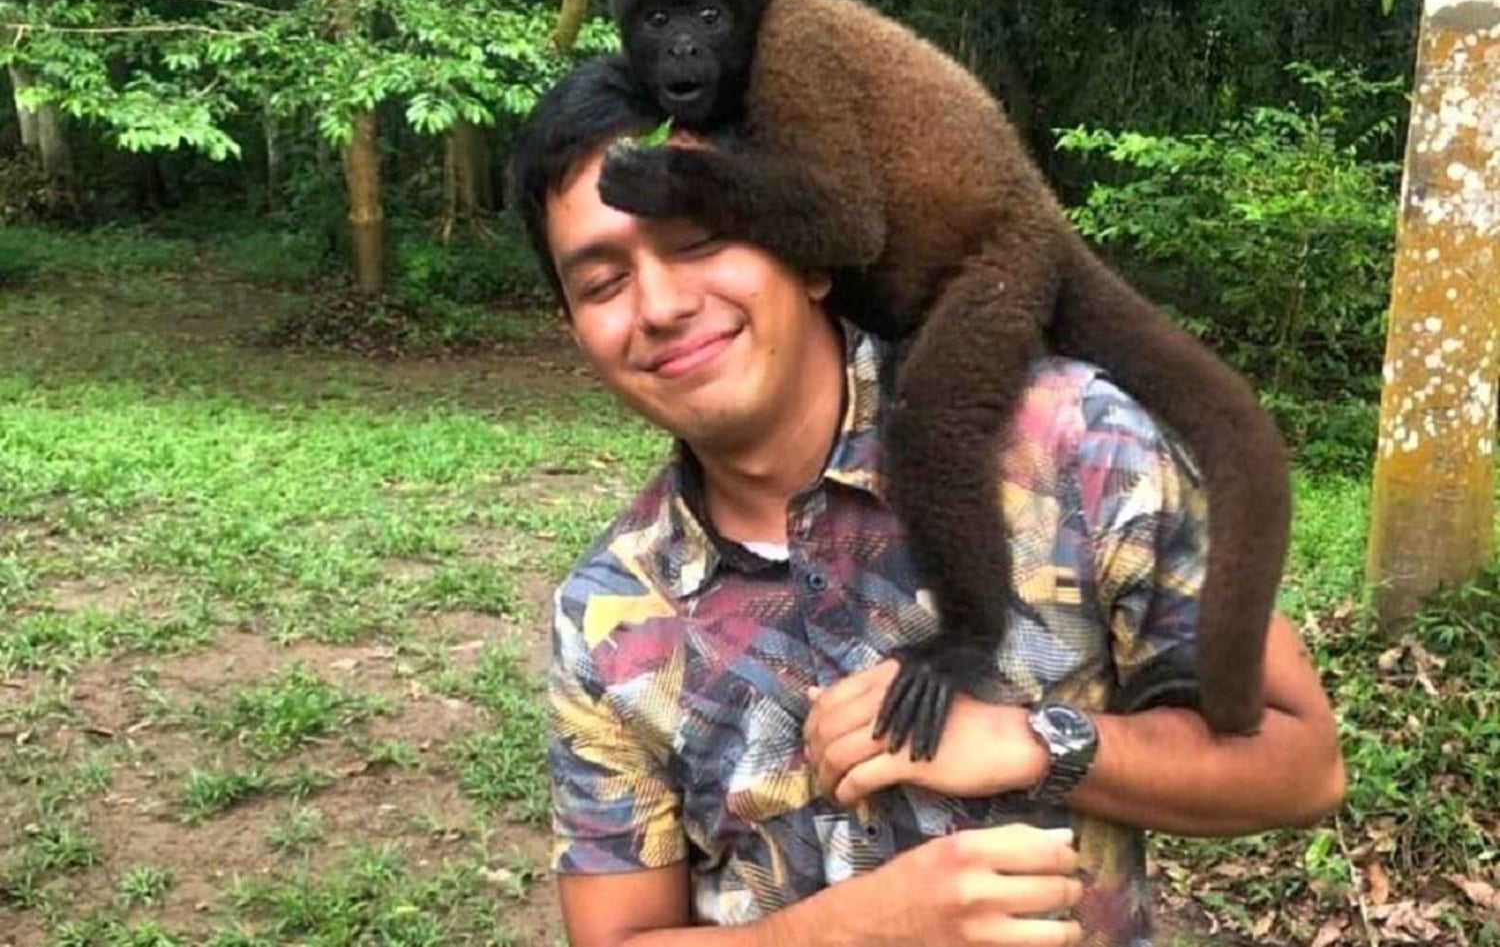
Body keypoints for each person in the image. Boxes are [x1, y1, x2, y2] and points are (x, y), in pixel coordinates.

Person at [509, 55, 1346, 947]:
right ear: (576, 330)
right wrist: (853, 931)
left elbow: (1302, 765)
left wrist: (1039, 741)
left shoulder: (1072, 448)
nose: (661, 304)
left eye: (700, 238)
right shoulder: (610, 613)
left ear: (809, 251)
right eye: (603, 283)